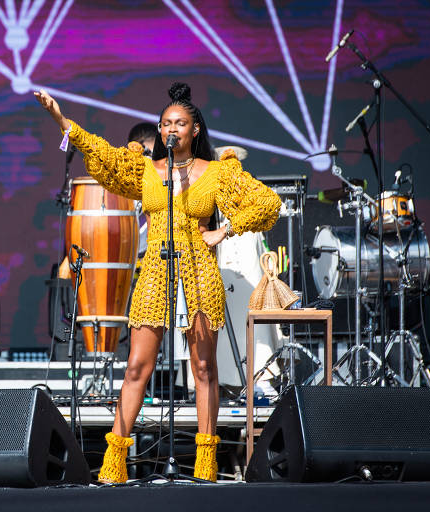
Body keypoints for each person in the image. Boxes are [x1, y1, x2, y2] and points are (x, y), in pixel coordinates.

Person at [35, 83, 281, 482]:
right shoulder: (147, 169)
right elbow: (102, 154)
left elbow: (267, 202)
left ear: (194, 130)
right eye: (166, 122)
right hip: (155, 272)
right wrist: (60, 119)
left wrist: (224, 231)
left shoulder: (218, 172)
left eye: (180, 123)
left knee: (204, 368)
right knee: (137, 368)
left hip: (199, 271)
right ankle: (113, 462)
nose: (172, 128)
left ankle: (205, 463)